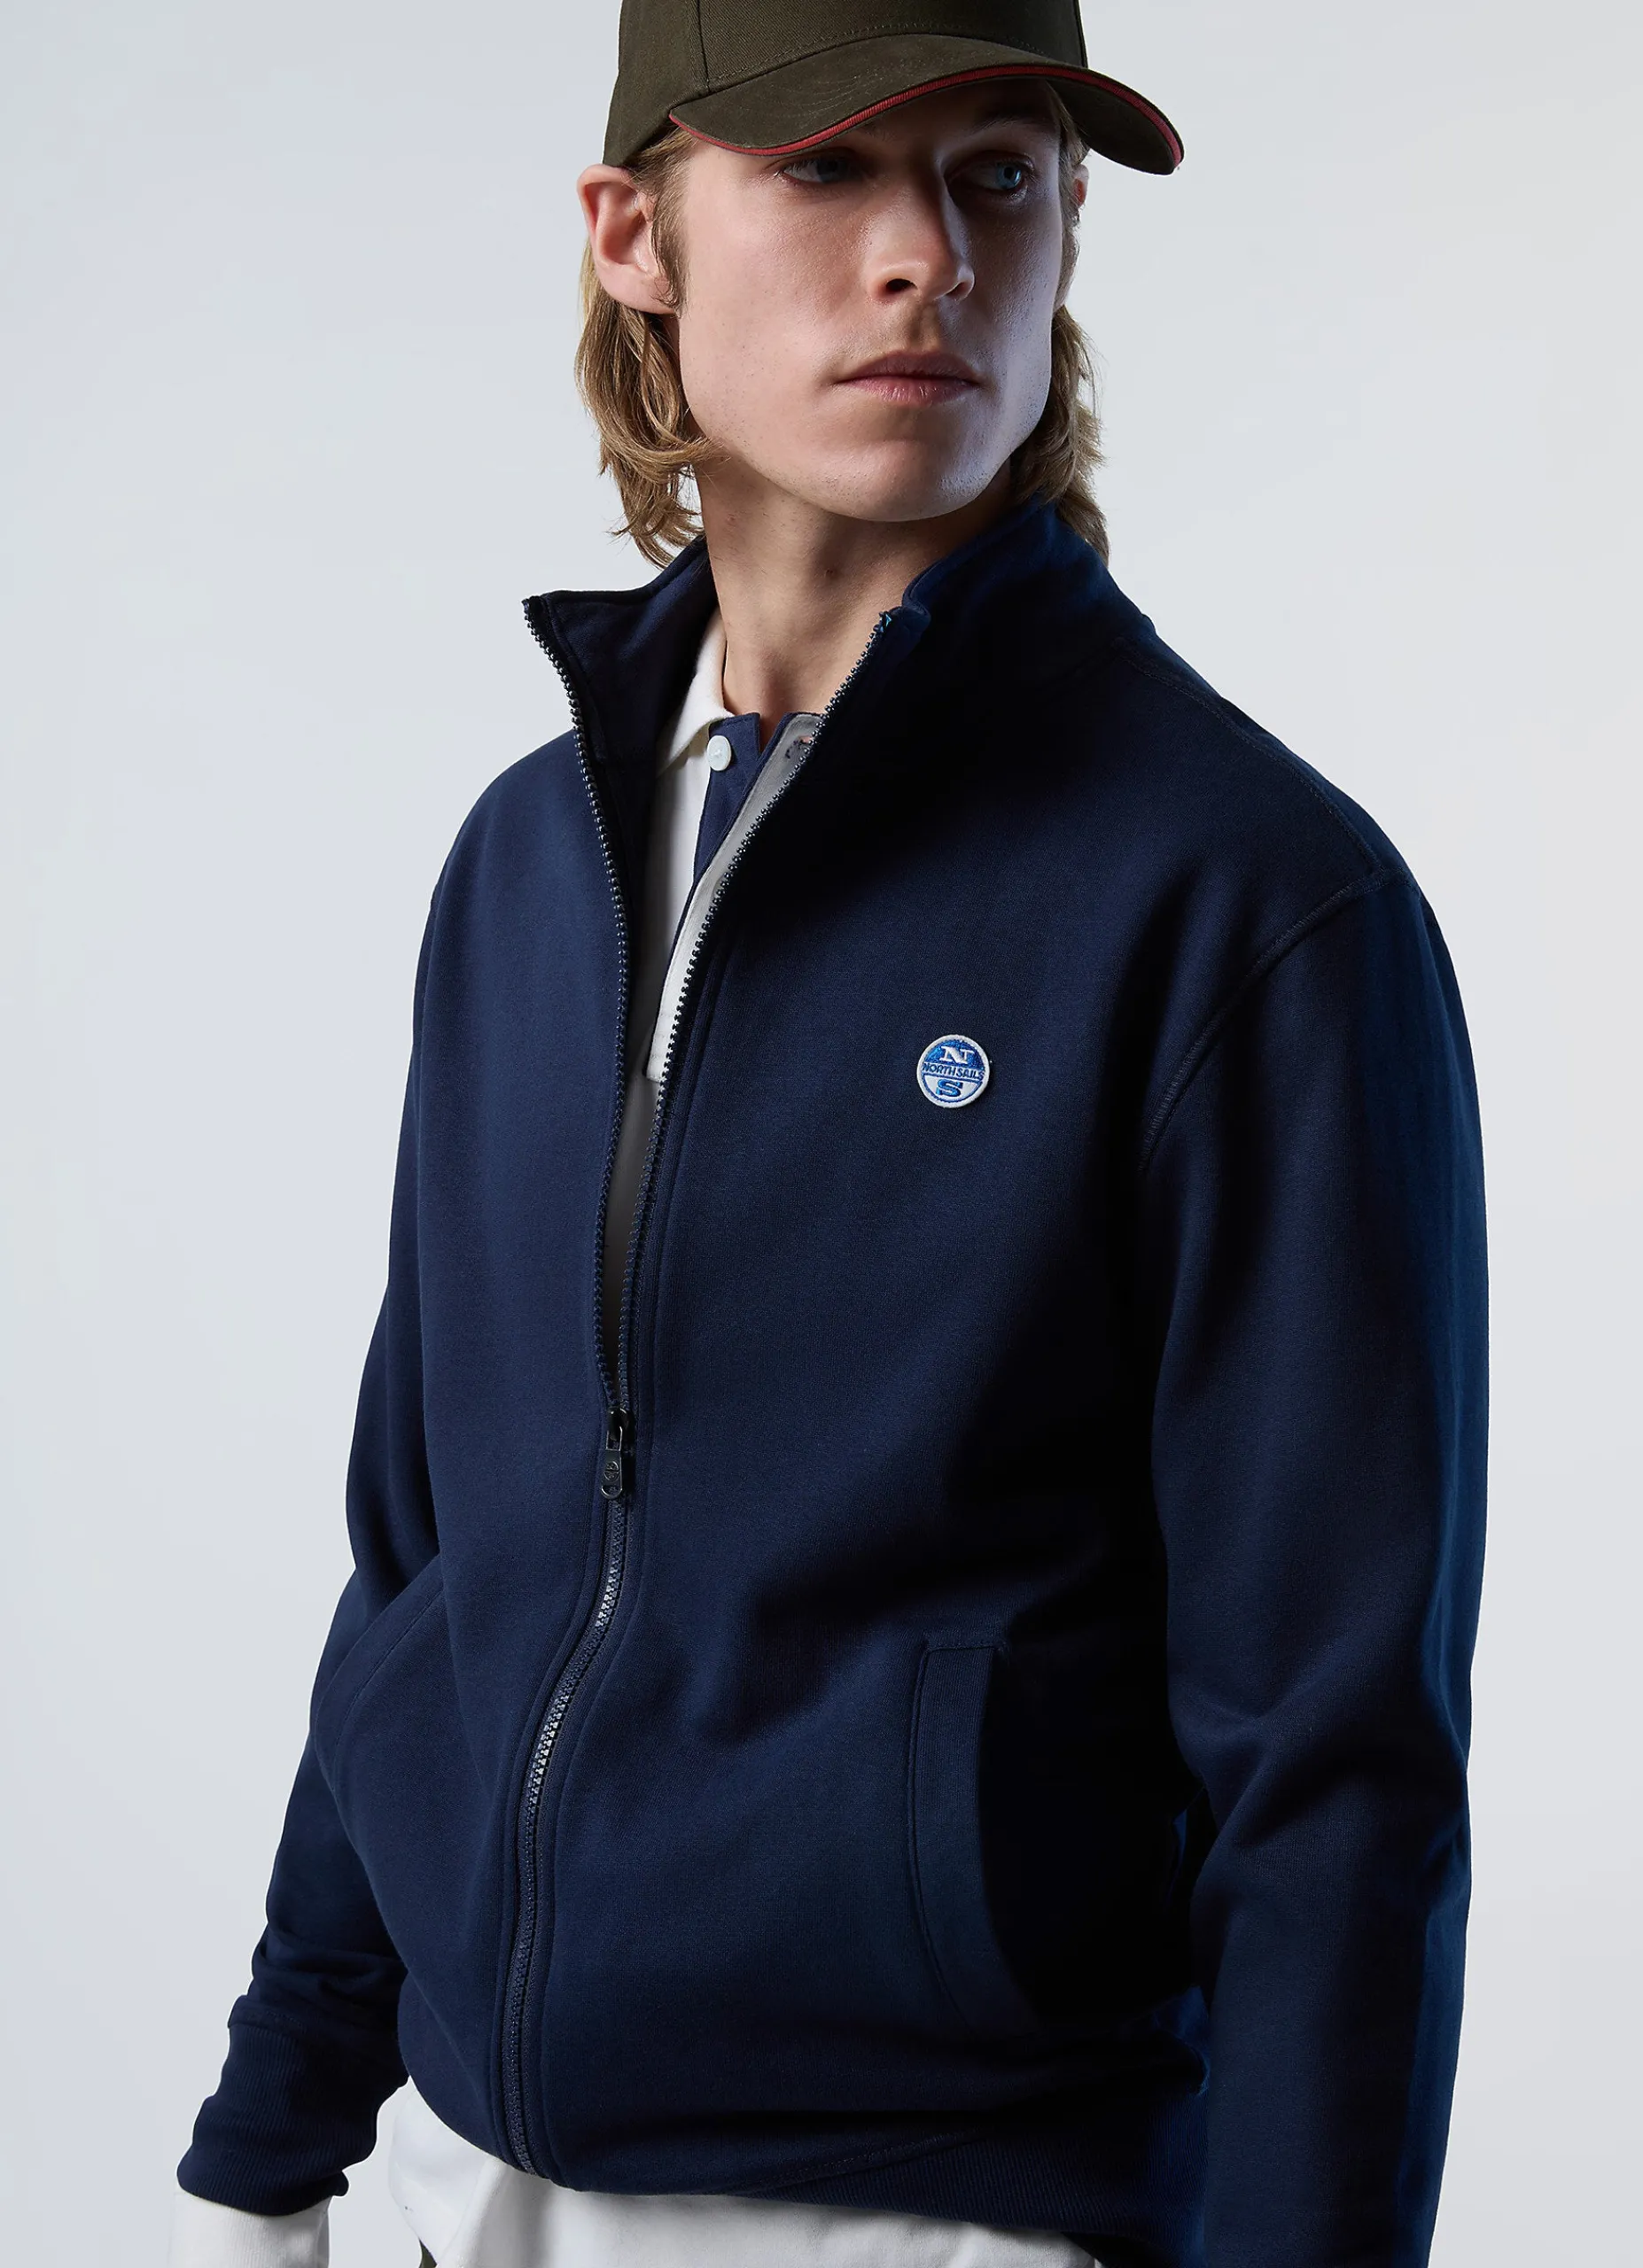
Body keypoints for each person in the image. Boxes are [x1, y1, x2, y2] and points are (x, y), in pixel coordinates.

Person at [168, 4, 1489, 2265]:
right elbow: (426, 1572)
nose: (927, 258)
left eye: (997, 174)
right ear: (634, 234)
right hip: (478, 2196)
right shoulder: (527, 870)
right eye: (826, 168)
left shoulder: (1246, 907)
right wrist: (268, 2146)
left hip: (947, 2218)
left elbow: (1335, 1778)